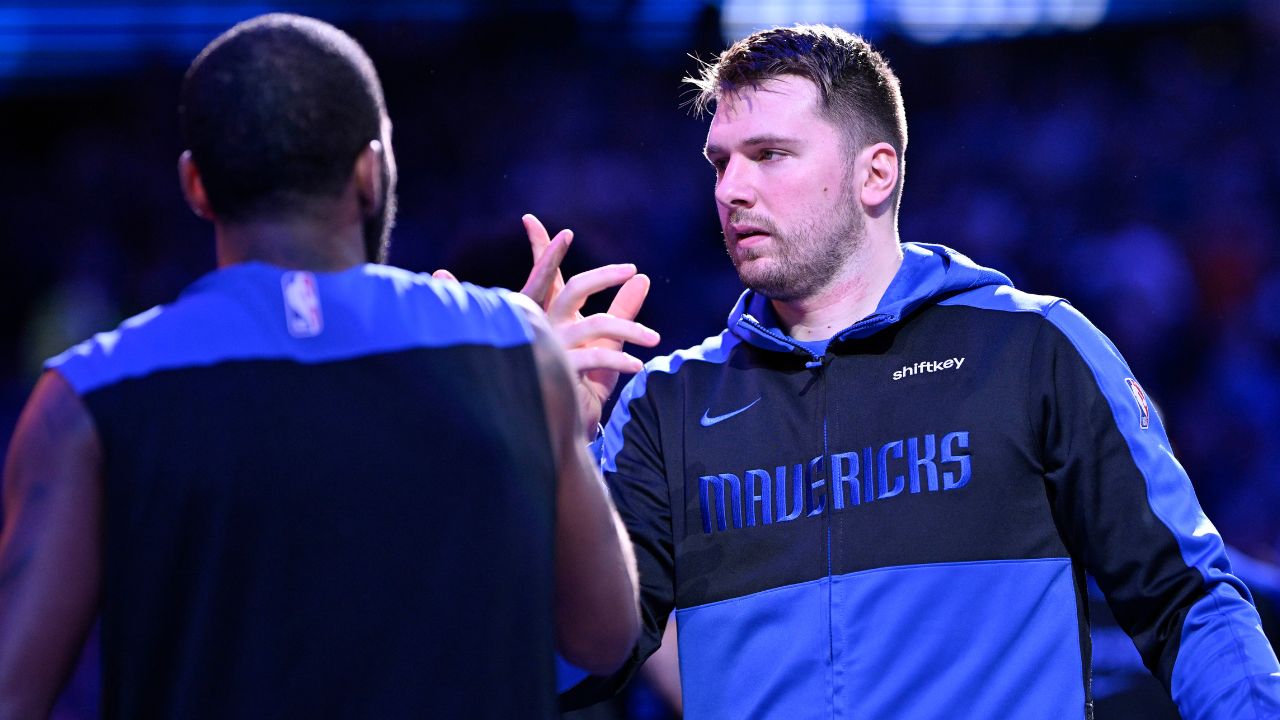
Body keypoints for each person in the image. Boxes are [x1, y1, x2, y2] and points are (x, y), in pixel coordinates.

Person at [541, 23, 1280, 719]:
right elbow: (575, 662)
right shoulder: (666, 407)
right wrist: (552, 451)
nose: (730, 189)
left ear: (876, 173)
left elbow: (1187, 600)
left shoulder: (1030, 351)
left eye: (768, 155)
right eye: (720, 162)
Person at [0, 14, 645, 719]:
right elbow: (605, 637)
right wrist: (555, 416)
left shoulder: (85, 398)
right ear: (371, 172)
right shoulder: (517, 350)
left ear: (196, 185)